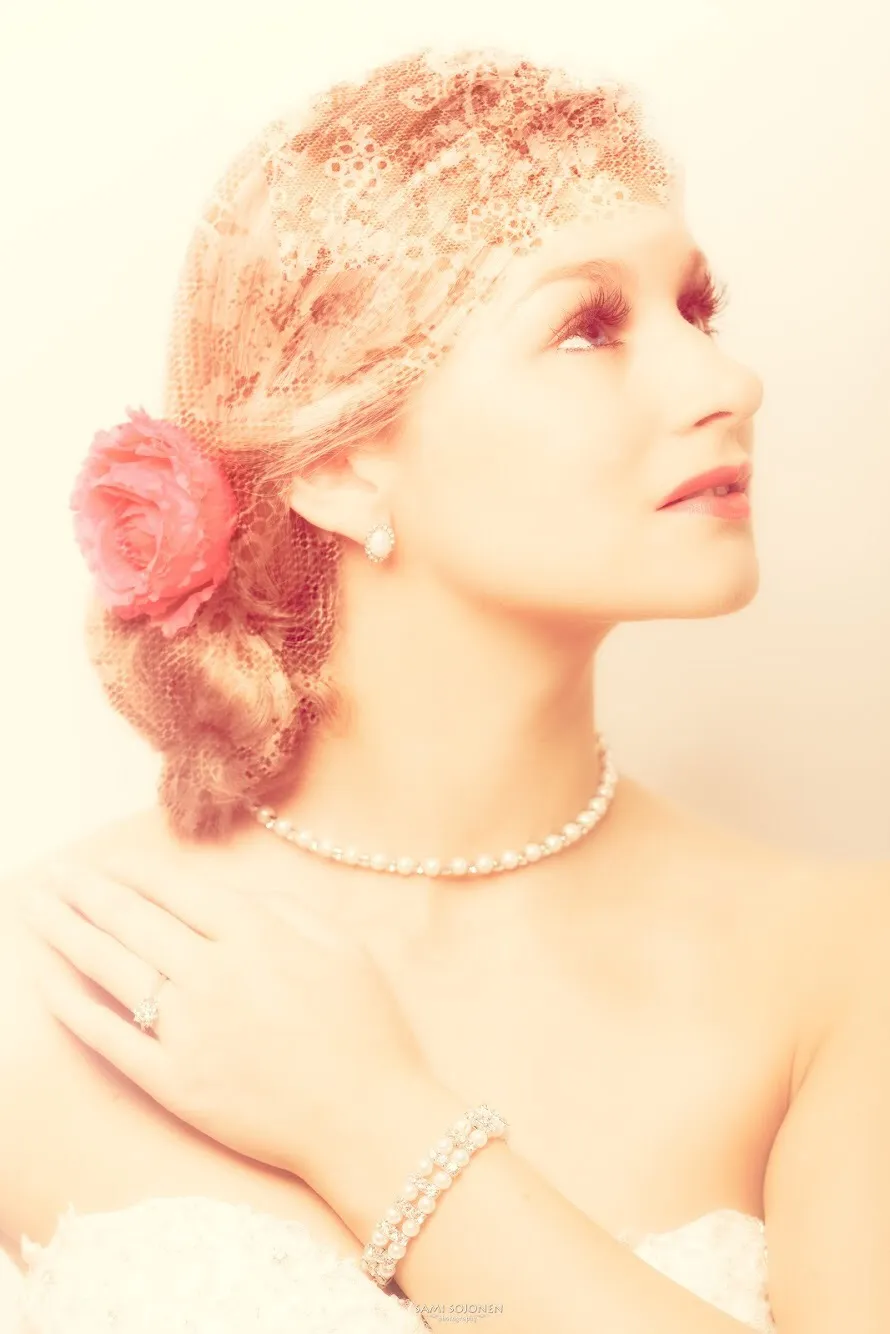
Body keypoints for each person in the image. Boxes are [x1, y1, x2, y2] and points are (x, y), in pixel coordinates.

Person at [0, 42, 887, 1334]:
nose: (724, 382)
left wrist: (369, 1116)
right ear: (340, 468)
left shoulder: (841, 963)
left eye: (696, 310)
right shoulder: (49, 973)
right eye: (588, 325)